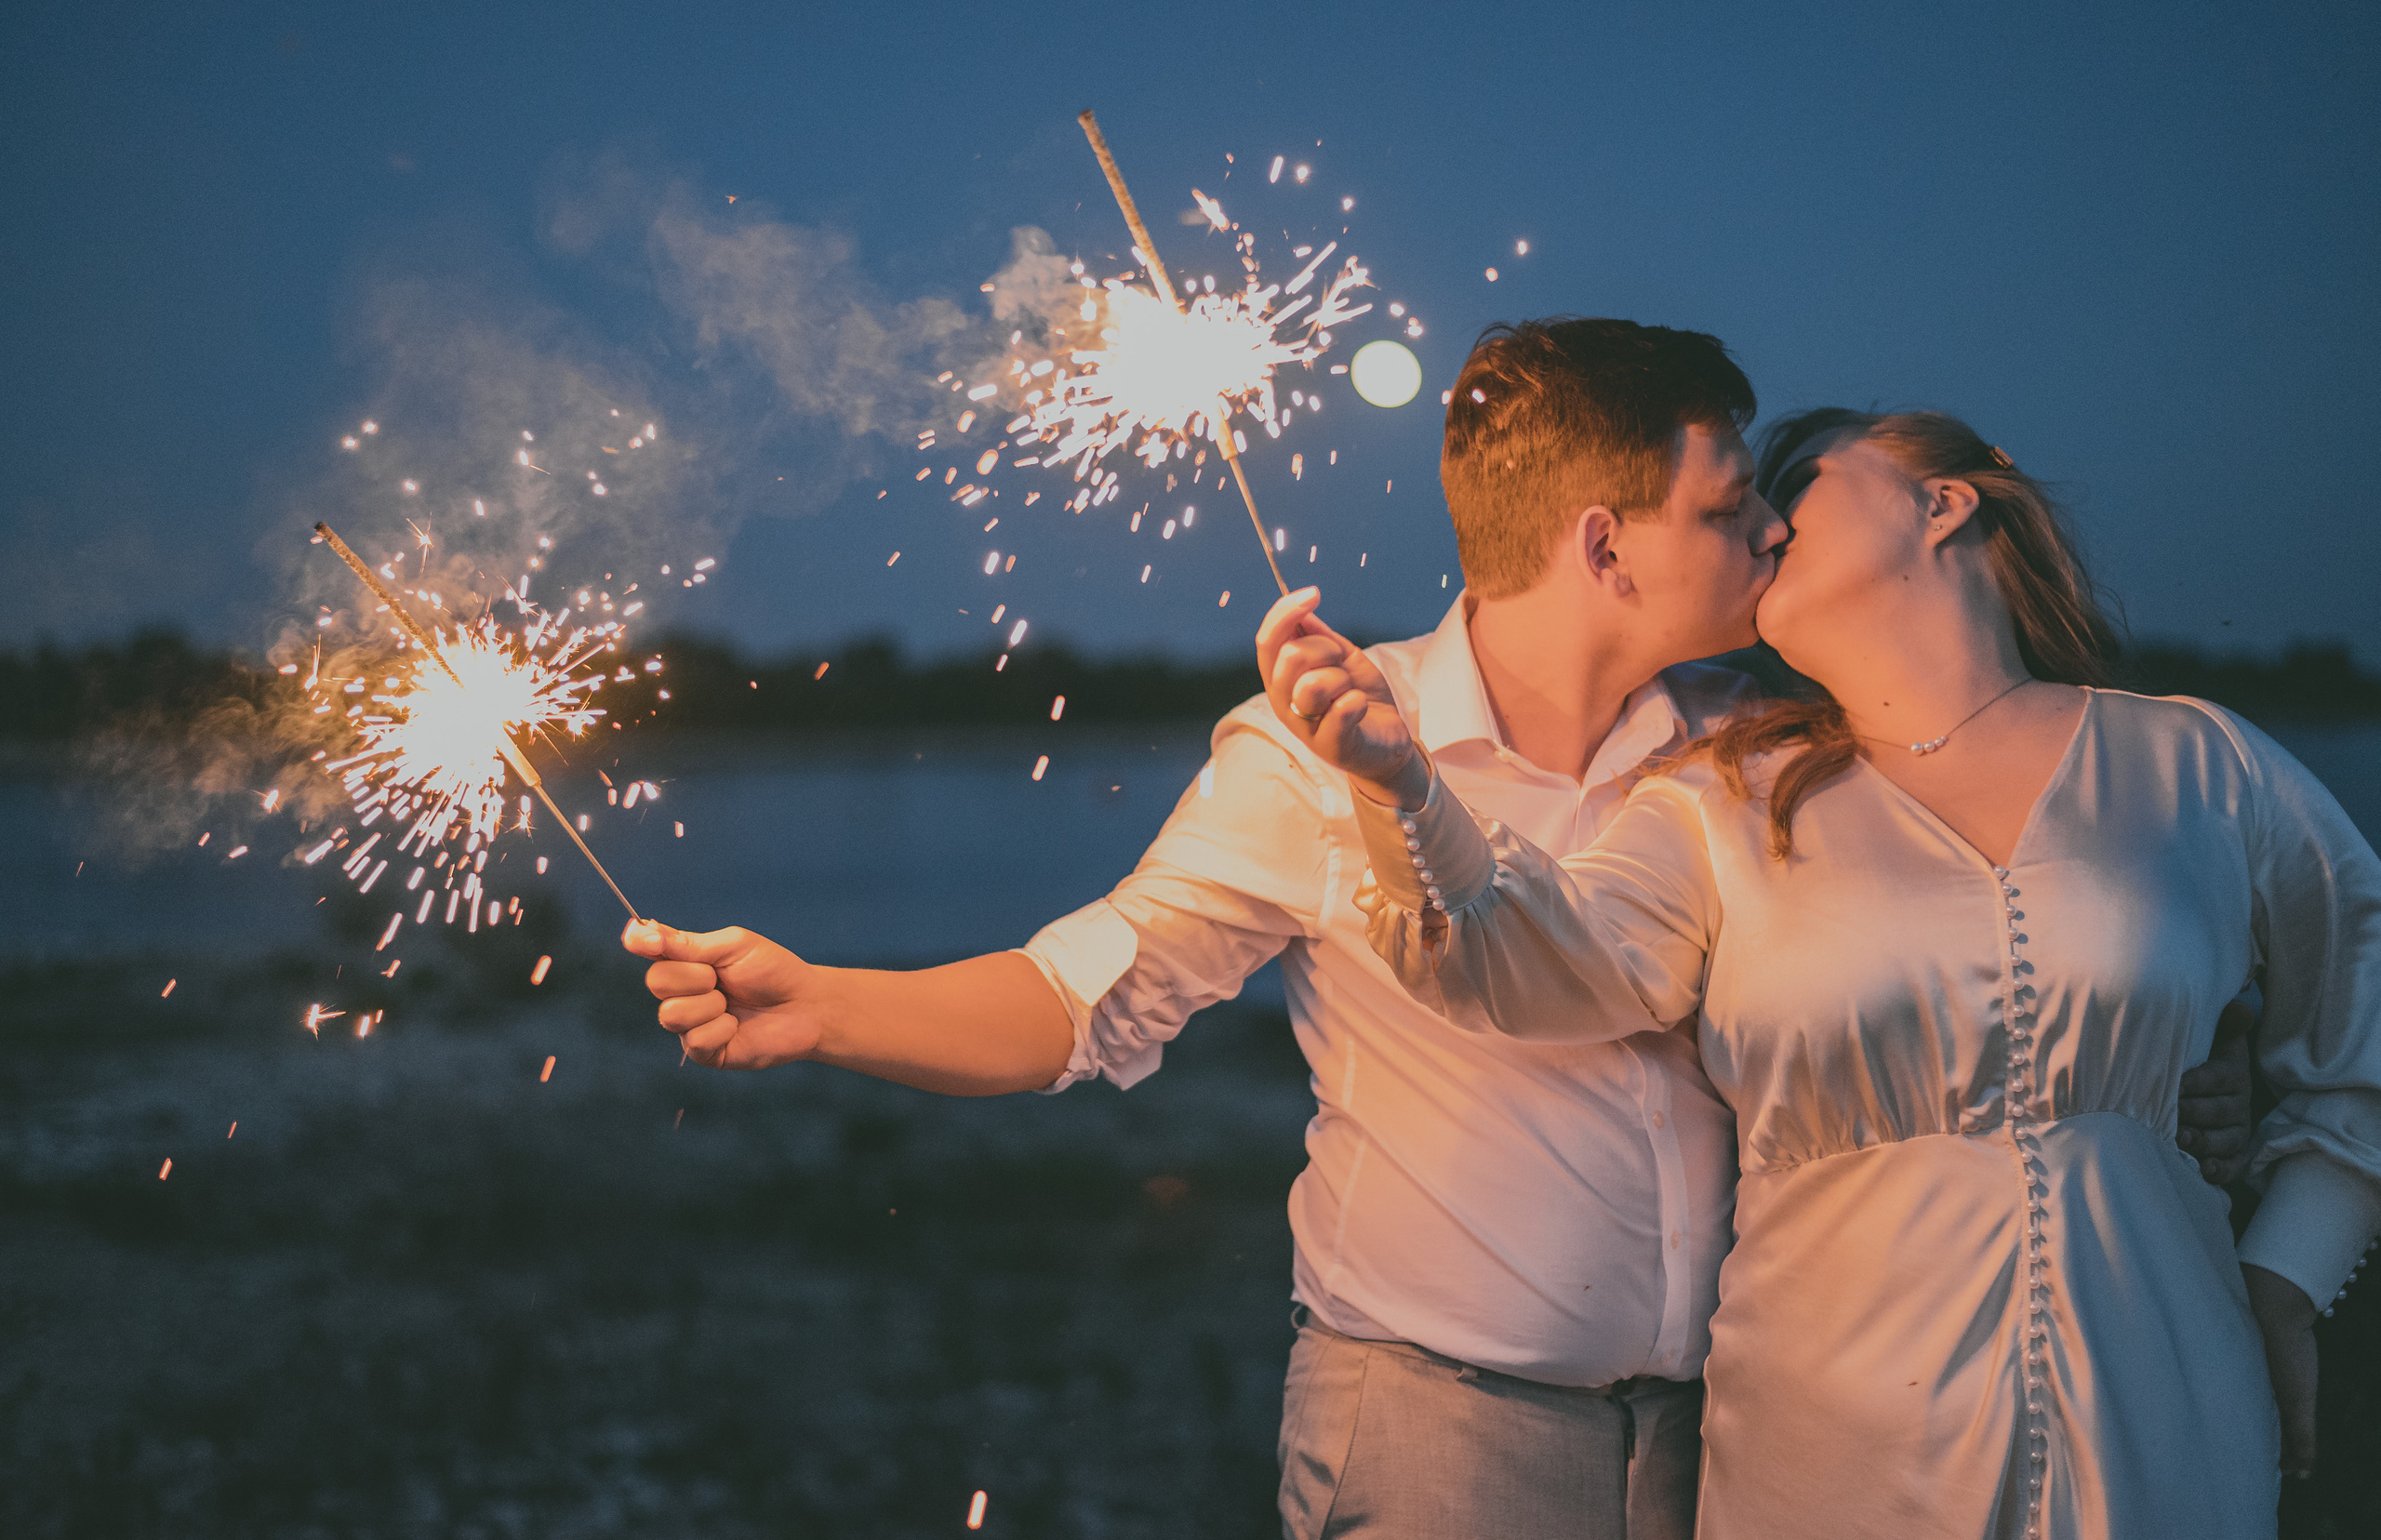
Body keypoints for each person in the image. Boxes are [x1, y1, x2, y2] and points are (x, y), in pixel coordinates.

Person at [625, 325, 2250, 1540]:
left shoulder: (1755, 745)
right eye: (1731, 496)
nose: (1771, 528)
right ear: (1606, 540)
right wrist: (825, 1002)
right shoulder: (1316, 749)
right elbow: (1086, 999)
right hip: (1448, 1430)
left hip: (1745, 1436)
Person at [1257, 405, 2377, 1538]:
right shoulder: (1721, 799)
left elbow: (2362, 1028)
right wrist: (1403, 791)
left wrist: (2287, 1275)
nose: (1759, 520)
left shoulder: (2199, 763)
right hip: (1833, 1447)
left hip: (2170, 1416)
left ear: (1941, 504)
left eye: (1794, 481)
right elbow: (1524, 952)